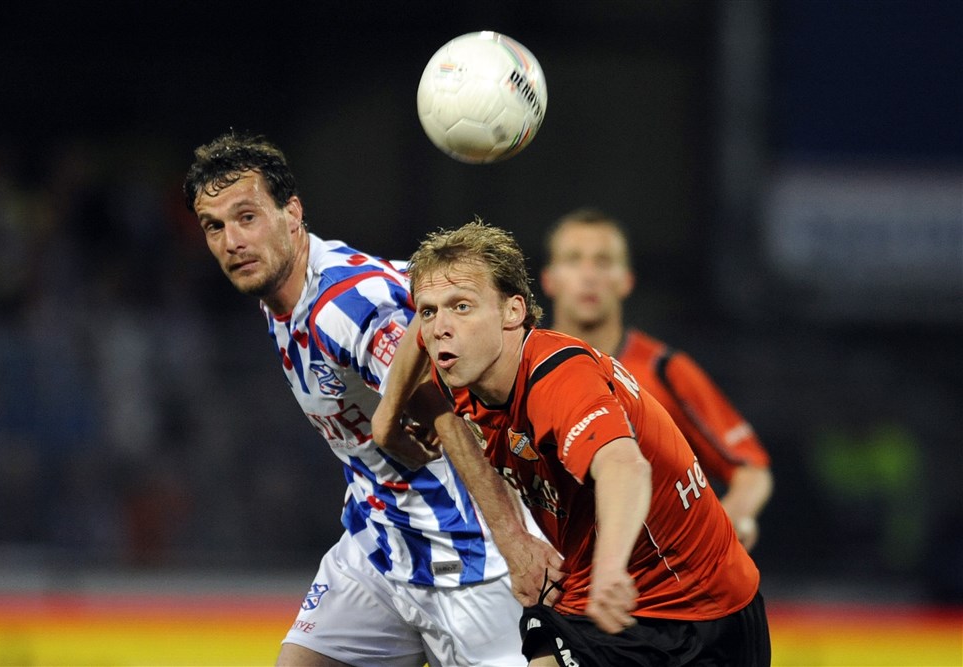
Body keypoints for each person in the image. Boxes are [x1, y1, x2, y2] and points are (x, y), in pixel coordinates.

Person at [183, 132, 561, 667]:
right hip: (377, 549)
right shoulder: (279, 292)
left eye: (247, 217)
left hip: (468, 559)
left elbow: (450, 413)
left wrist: (515, 540)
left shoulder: (350, 305)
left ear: (292, 213)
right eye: (214, 227)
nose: (232, 241)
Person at [380, 220, 770, 666]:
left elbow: (625, 467)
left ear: (513, 312)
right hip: (592, 599)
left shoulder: (557, 377)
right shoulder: (464, 370)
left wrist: (609, 570)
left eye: (462, 306)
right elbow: (417, 343)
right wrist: (385, 421)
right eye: (429, 311)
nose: (440, 327)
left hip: (695, 608)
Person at [540, 208, 773, 550]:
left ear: (626, 280)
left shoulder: (664, 370)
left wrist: (734, 517)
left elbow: (751, 469)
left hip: (651, 578)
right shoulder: (519, 368)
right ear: (549, 279)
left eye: (603, 261)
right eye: (574, 260)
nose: (589, 275)